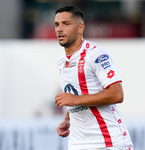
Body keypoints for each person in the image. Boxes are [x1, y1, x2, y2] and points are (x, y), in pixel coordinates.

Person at [54, 6, 134, 150]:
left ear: (80, 28)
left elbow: (117, 94)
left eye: (66, 24)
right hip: (77, 143)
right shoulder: (62, 62)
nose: (60, 29)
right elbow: (77, 93)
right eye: (57, 24)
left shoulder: (95, 54)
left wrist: (74, 100)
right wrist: (68, 119)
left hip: (108, 142)